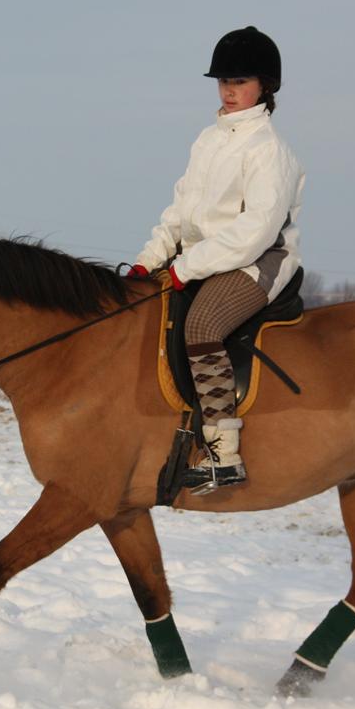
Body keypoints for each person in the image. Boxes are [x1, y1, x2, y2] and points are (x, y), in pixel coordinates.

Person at [128, 25, 305, 494]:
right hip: (203, 258)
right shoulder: (207, 139)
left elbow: (255, 232)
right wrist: (150, 260)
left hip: (256, 262)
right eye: (223, 81)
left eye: (240, 81)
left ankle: (223, 453)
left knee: (202, 327)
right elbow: (181, 210)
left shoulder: (270, 151)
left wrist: (185, 268)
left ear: (265, 86)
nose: (229, 90)